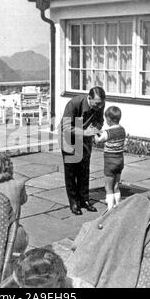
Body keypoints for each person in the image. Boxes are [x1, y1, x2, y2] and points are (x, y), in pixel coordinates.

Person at [60, 86, 105, 215]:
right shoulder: (74, 104)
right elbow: (66, 127)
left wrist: (95, 129)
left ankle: (84, 200)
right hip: (69, 138)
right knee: (71, 173)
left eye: (101, 104)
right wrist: (84, 132)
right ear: (89, 98)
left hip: (85, 138)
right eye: (96, 104)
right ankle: (74, 202)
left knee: (84, 170)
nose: (99, 107)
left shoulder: (100, 104)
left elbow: (100, 121)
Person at [94, 106, 126, 210]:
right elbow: (111, 134)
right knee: (116, 186)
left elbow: (98, 140)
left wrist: (94, 132)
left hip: (109, 161)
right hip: (120, 161)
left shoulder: (107, 133)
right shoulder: (122, 130)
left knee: (108, 188)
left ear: (108, 119)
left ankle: (110, 209)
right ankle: (118, 205)